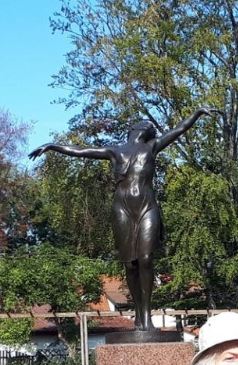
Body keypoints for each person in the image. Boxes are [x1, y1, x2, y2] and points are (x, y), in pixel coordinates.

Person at [30, 109, 214, 332]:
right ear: (134, 129)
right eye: (146, 124)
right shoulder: (115, 151)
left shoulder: (152, 146)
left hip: (146, 206)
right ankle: (138, 315)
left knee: (146, 258)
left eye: (151, 127)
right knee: (130, 264)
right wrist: (52, 146)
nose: (150, 126)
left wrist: (197, 113)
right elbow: (81, 150)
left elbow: (179, 129)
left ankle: (146, 316)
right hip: (122, 209)